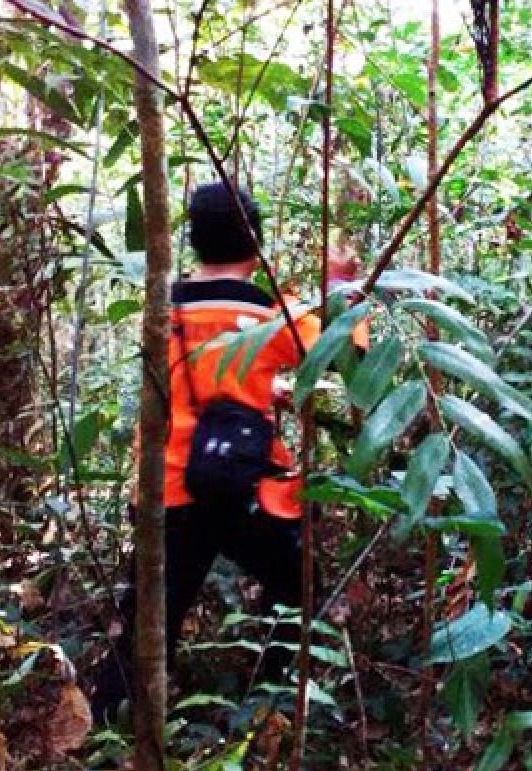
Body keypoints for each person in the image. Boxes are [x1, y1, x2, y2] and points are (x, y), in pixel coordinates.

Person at [90, 181, 363, 724]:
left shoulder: (159, 310)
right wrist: (342, 288)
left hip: (166, 487)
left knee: (150, 619)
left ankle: (108, 725)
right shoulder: (270, 315)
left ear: (193, 241)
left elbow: (182, 376)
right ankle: (265, 708)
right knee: (297, 589)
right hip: (248, 491)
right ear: (254, 241)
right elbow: (351, 358)